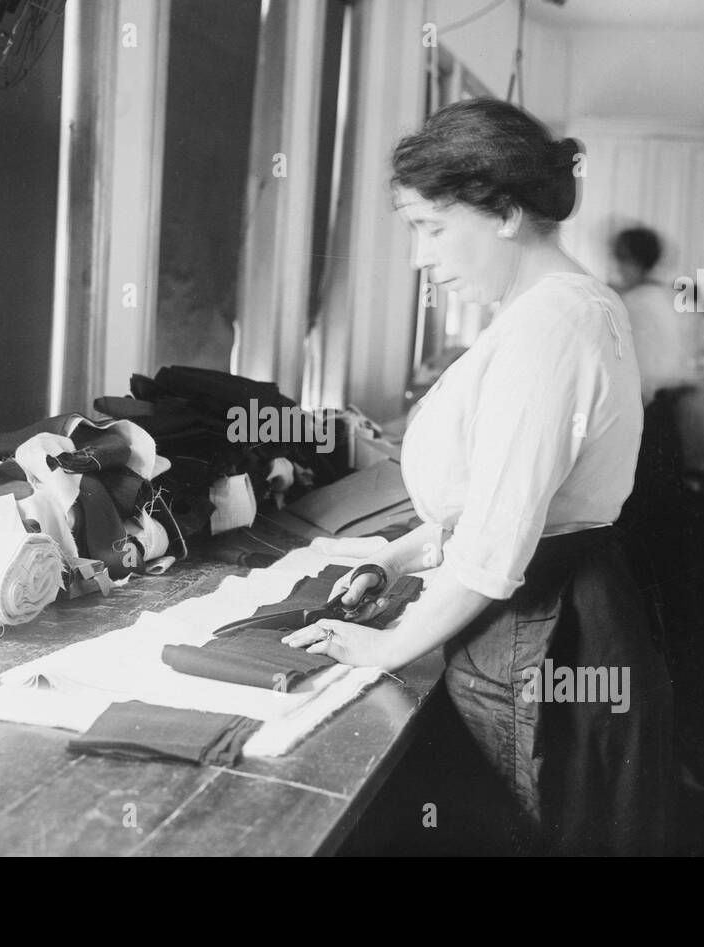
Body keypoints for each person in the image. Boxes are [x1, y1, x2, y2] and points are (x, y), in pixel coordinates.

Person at [283, 98, 673, 856]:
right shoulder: (554, 310)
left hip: (544, 622)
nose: (420, 257)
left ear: (504, 213)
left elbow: (496, 546)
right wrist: (392, 560)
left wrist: (383, 648)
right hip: (552, 606)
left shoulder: (551, 326)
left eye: (432, 228)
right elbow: (509, 501)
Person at [611, 227, 704, 405]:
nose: (618, 269)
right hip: (684, 399)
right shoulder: (673, 297)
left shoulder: (631, 302)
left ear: (637, 263)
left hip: (649, 402)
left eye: (623, 260)